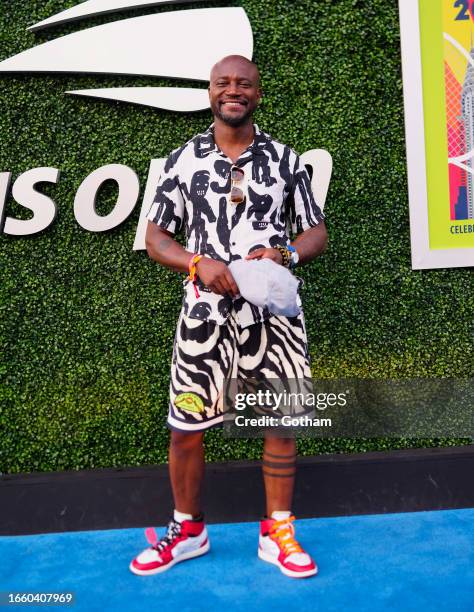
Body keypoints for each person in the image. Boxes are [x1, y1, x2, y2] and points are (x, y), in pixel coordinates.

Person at [130, 55, 328, 579]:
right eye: (223, 83)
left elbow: (316, 232)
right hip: (205, 316)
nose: (233, 90)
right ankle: (188, 530)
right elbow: (155, 239)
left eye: (244, 83)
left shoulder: (286, 160)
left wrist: (284, 253)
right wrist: (198, 262)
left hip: (272, 316)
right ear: (210, 92)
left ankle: (277, 530)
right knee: (185, 427)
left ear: (258, 94)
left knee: (279, 423)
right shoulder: (182, 160)